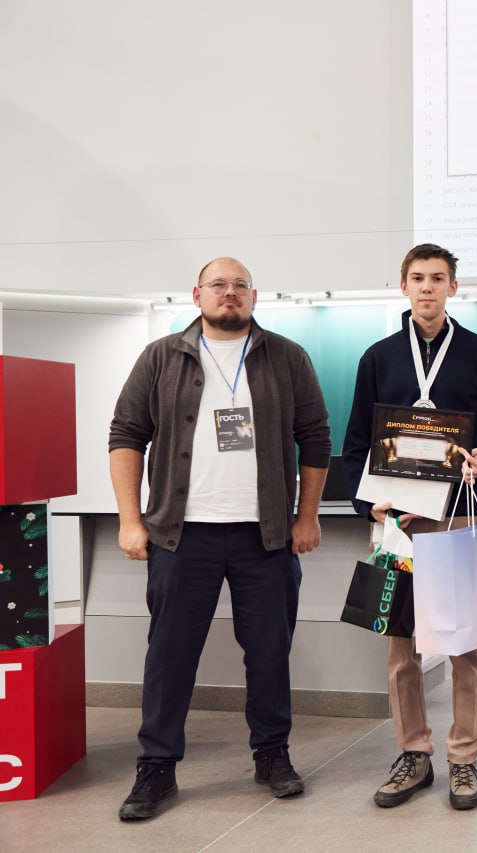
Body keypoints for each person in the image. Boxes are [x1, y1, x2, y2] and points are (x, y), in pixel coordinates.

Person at [108, 257, 331, 820]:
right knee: (170, 655)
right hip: (181, 536)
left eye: (239, 285)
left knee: (269, 652)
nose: (229, 293)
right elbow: (126, 434)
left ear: (254, 295)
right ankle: (156, 767)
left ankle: (272, 755)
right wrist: (130, 519)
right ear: (197, 294)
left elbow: (315, 437)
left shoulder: (287, 357)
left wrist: (307, 517)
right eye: (218, 285)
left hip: (267, 535)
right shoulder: (161, 356)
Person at [342, 243, 477, 811]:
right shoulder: (378, 358)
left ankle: (464, 757)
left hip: (458, 515)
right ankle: (413, 752)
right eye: (417, 278)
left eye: (437, 278)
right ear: (403, 286)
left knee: (463, 642)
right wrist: (367, 504)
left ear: (452, 288)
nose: (427, 287)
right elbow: (356, 444)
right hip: (398, 525)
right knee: (402, 647)